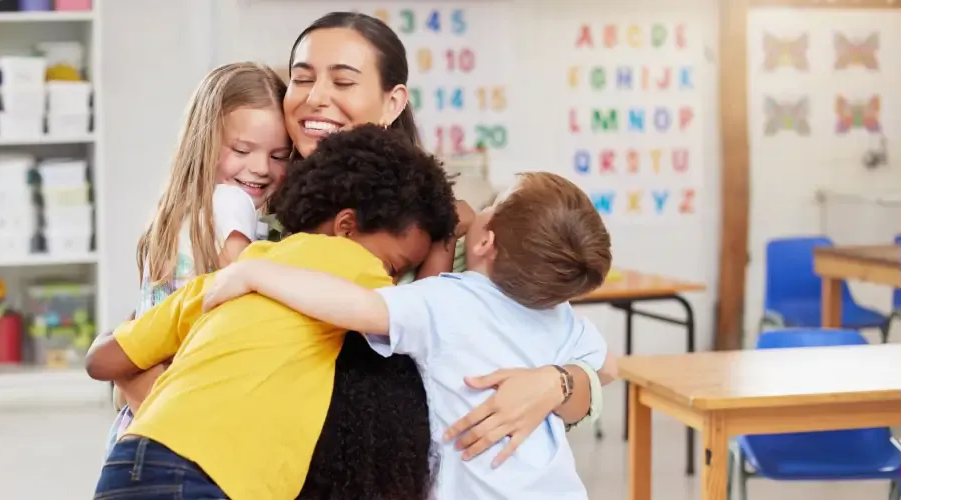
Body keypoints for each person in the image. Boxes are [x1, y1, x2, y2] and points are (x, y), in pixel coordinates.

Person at [86, 125, 459, 500]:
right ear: (345, 227)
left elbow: (101, 362)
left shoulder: (224, 281)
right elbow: (417, 316)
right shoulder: (354, 267)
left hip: (128, 462)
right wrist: (447, 239)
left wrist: (124, 328)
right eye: (394, 266)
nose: (390, 280)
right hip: (207, 481)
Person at [203, 171, 612, 499]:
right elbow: (607, 366)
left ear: (486, 241)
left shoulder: (448, 300)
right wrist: (555, 378)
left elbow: (357, 305)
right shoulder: (560, 315)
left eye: (492, 206)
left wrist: (255, 271)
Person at [104, 62, 291, 454]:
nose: (261, 168)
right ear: (205, 142)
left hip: (140, 426)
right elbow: (251, 284)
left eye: (279, 155)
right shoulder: (229, 201)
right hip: (188, 423)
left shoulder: (178, 211)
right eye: (242, 150)